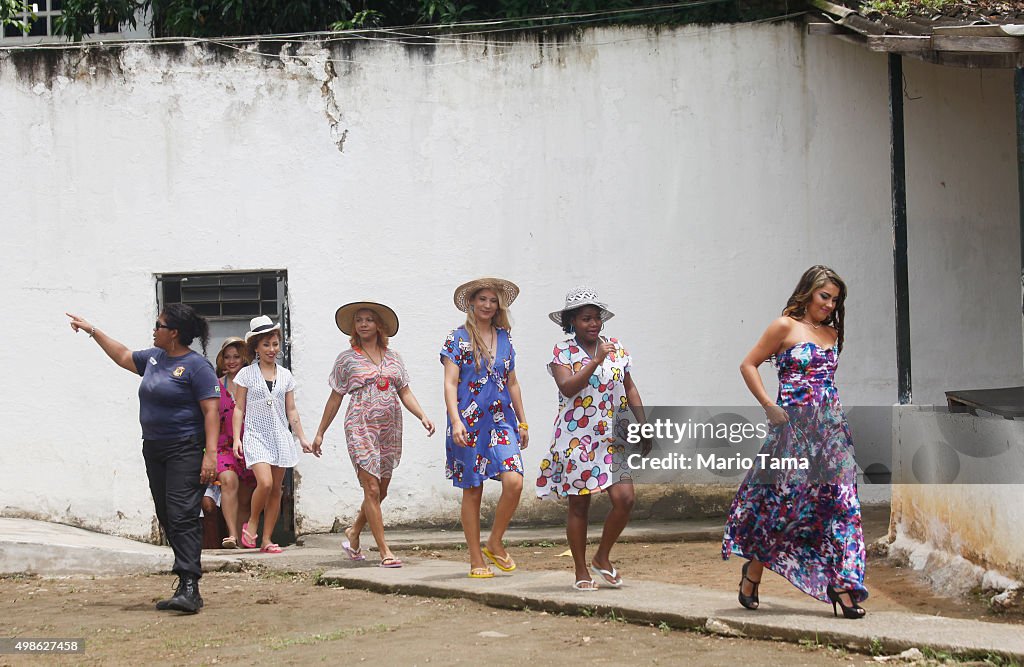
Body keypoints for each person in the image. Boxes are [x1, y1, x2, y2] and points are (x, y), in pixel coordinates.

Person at [721, 265, 867, 619]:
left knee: (844, 507)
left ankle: (844, 586)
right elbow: (748, 364)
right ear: (808, 292)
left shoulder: (832, 333)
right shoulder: (785, 326)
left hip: (831, 434)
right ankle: (753, 572)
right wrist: (769, 405)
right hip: (792, 432)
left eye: (835, 299)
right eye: (824, 296)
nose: (830, 304)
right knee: (784, 508)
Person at [66, 305, 220, 613]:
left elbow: (211, 411)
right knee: (166, 515)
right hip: (154, 448)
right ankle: (186, 585)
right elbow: (123, 355)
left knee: (181, 514)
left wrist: (211, 455)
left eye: (159, 325)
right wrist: (92, 330)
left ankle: (190, 585)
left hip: (185, 448)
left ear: (173, 332)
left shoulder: (196, 366)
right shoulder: (154, 358)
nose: (154, 329)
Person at [535, 287, 652, 591]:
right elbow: (568, 388)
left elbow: (630, 388)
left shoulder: (616, 348)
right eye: (586, 318)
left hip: (612, 437)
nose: (593, 324)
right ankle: (580, 570)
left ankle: (602, 557)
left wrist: (643, 425)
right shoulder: (562, 352)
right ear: (572, 321)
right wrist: (595, 361)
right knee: (580, 506)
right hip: (577, 440)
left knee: (625, 499)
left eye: (596, 318)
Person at [312, 302, 436, 568]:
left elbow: (404, 391)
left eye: (369, 319)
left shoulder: (394, 358)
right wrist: (320, 432)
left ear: (380, 326)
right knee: (370, 487)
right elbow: (335, 398)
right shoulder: (346, 359)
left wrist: (422, 415)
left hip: (390, 427)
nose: (364, 324)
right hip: (360, 424)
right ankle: (384, 551)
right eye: (359, 320)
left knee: (381, 490)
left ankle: (354, 531)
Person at [441, 277, 529, 579]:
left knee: (514, 481)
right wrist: (455, 421)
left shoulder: (505, 338)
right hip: (468, 422)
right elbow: (450, 383)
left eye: (493, 301)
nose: (488, 305)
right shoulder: (457, 339)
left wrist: (523, 420)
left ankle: (494, 541)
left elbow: (513, 382)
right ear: (472, 303)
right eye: (482, 300)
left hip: (501, 421)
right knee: (473, 490)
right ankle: (476, 558)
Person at [232, 315, 311, 554]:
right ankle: (253, 521)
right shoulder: (245, 375)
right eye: (265, 344)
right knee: (264, 483)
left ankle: (266, 539)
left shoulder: (286, 376)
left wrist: (303, 438)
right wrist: (237, 437)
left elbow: (292, 410)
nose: (271, 349)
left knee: (276, 488)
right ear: (256, 347)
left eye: (274, 343)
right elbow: (238, 408)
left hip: (280, 436)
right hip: (255, 435)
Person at [214, 337, 256, 549]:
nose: (231, 361)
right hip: (223, 447)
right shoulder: (215, 385)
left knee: (246, 498)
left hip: (249, 445)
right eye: (227, 357)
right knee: (228, 482)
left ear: (244, 358)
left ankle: (242, 539)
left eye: (236, 357)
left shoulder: (252, 383)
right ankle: (231, 534)